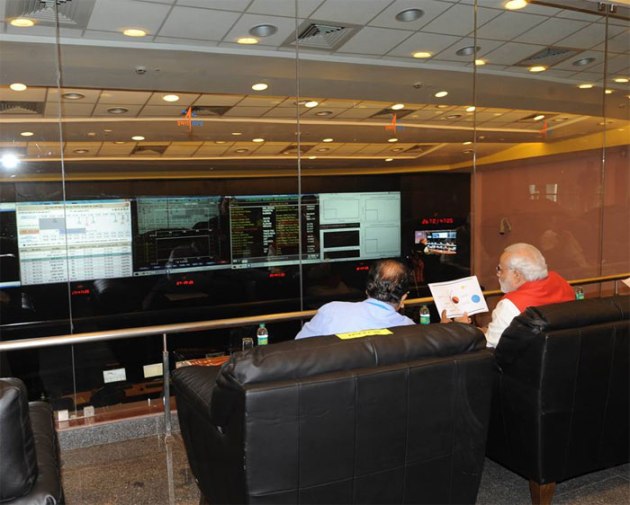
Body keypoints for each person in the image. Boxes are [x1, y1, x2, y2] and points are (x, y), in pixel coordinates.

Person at [444, 242, 574, 347]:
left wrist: (461, 328)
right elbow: (501, 332)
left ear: (517, 274)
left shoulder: (510, 305)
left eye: (500, 269)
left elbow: (489, 345)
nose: (497, 274)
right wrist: (480, 329)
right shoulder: (561, 282)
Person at [295, 259, 415, 339]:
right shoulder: (411, 330)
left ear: (367, 290)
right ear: (404, 297)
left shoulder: (331, 312)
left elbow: (299, 350)